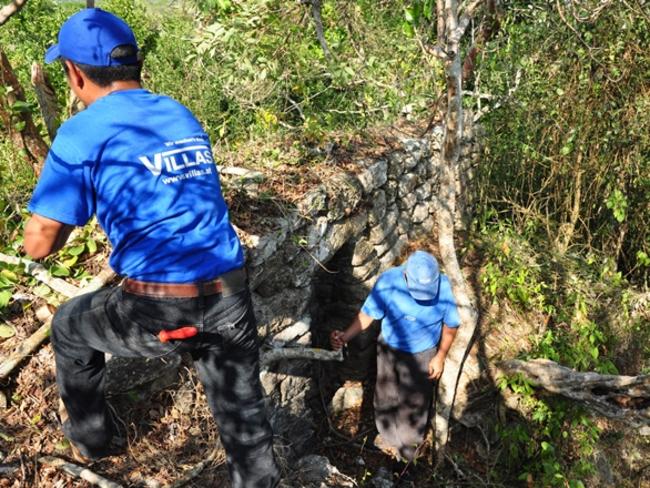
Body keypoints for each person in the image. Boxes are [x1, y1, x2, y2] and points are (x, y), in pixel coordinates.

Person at [23, 9, 279, 488]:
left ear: (75, 74)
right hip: (229, 294)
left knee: (69, 326)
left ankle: (93, 441)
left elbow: (38, 245)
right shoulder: (177, 111)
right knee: (246, 420)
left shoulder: (82, 132)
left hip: (158, 307)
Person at [330, 250, 460, 463]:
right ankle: (388, 437)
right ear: (406, 276)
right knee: (385, 394)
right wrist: (345, 336)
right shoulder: (389, 281)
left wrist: (440, 356)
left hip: (423, 354)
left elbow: (451, 325)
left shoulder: (444, 288)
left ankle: (408, 453)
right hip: (389, 348)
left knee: (414, 403)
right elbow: (368, 314)